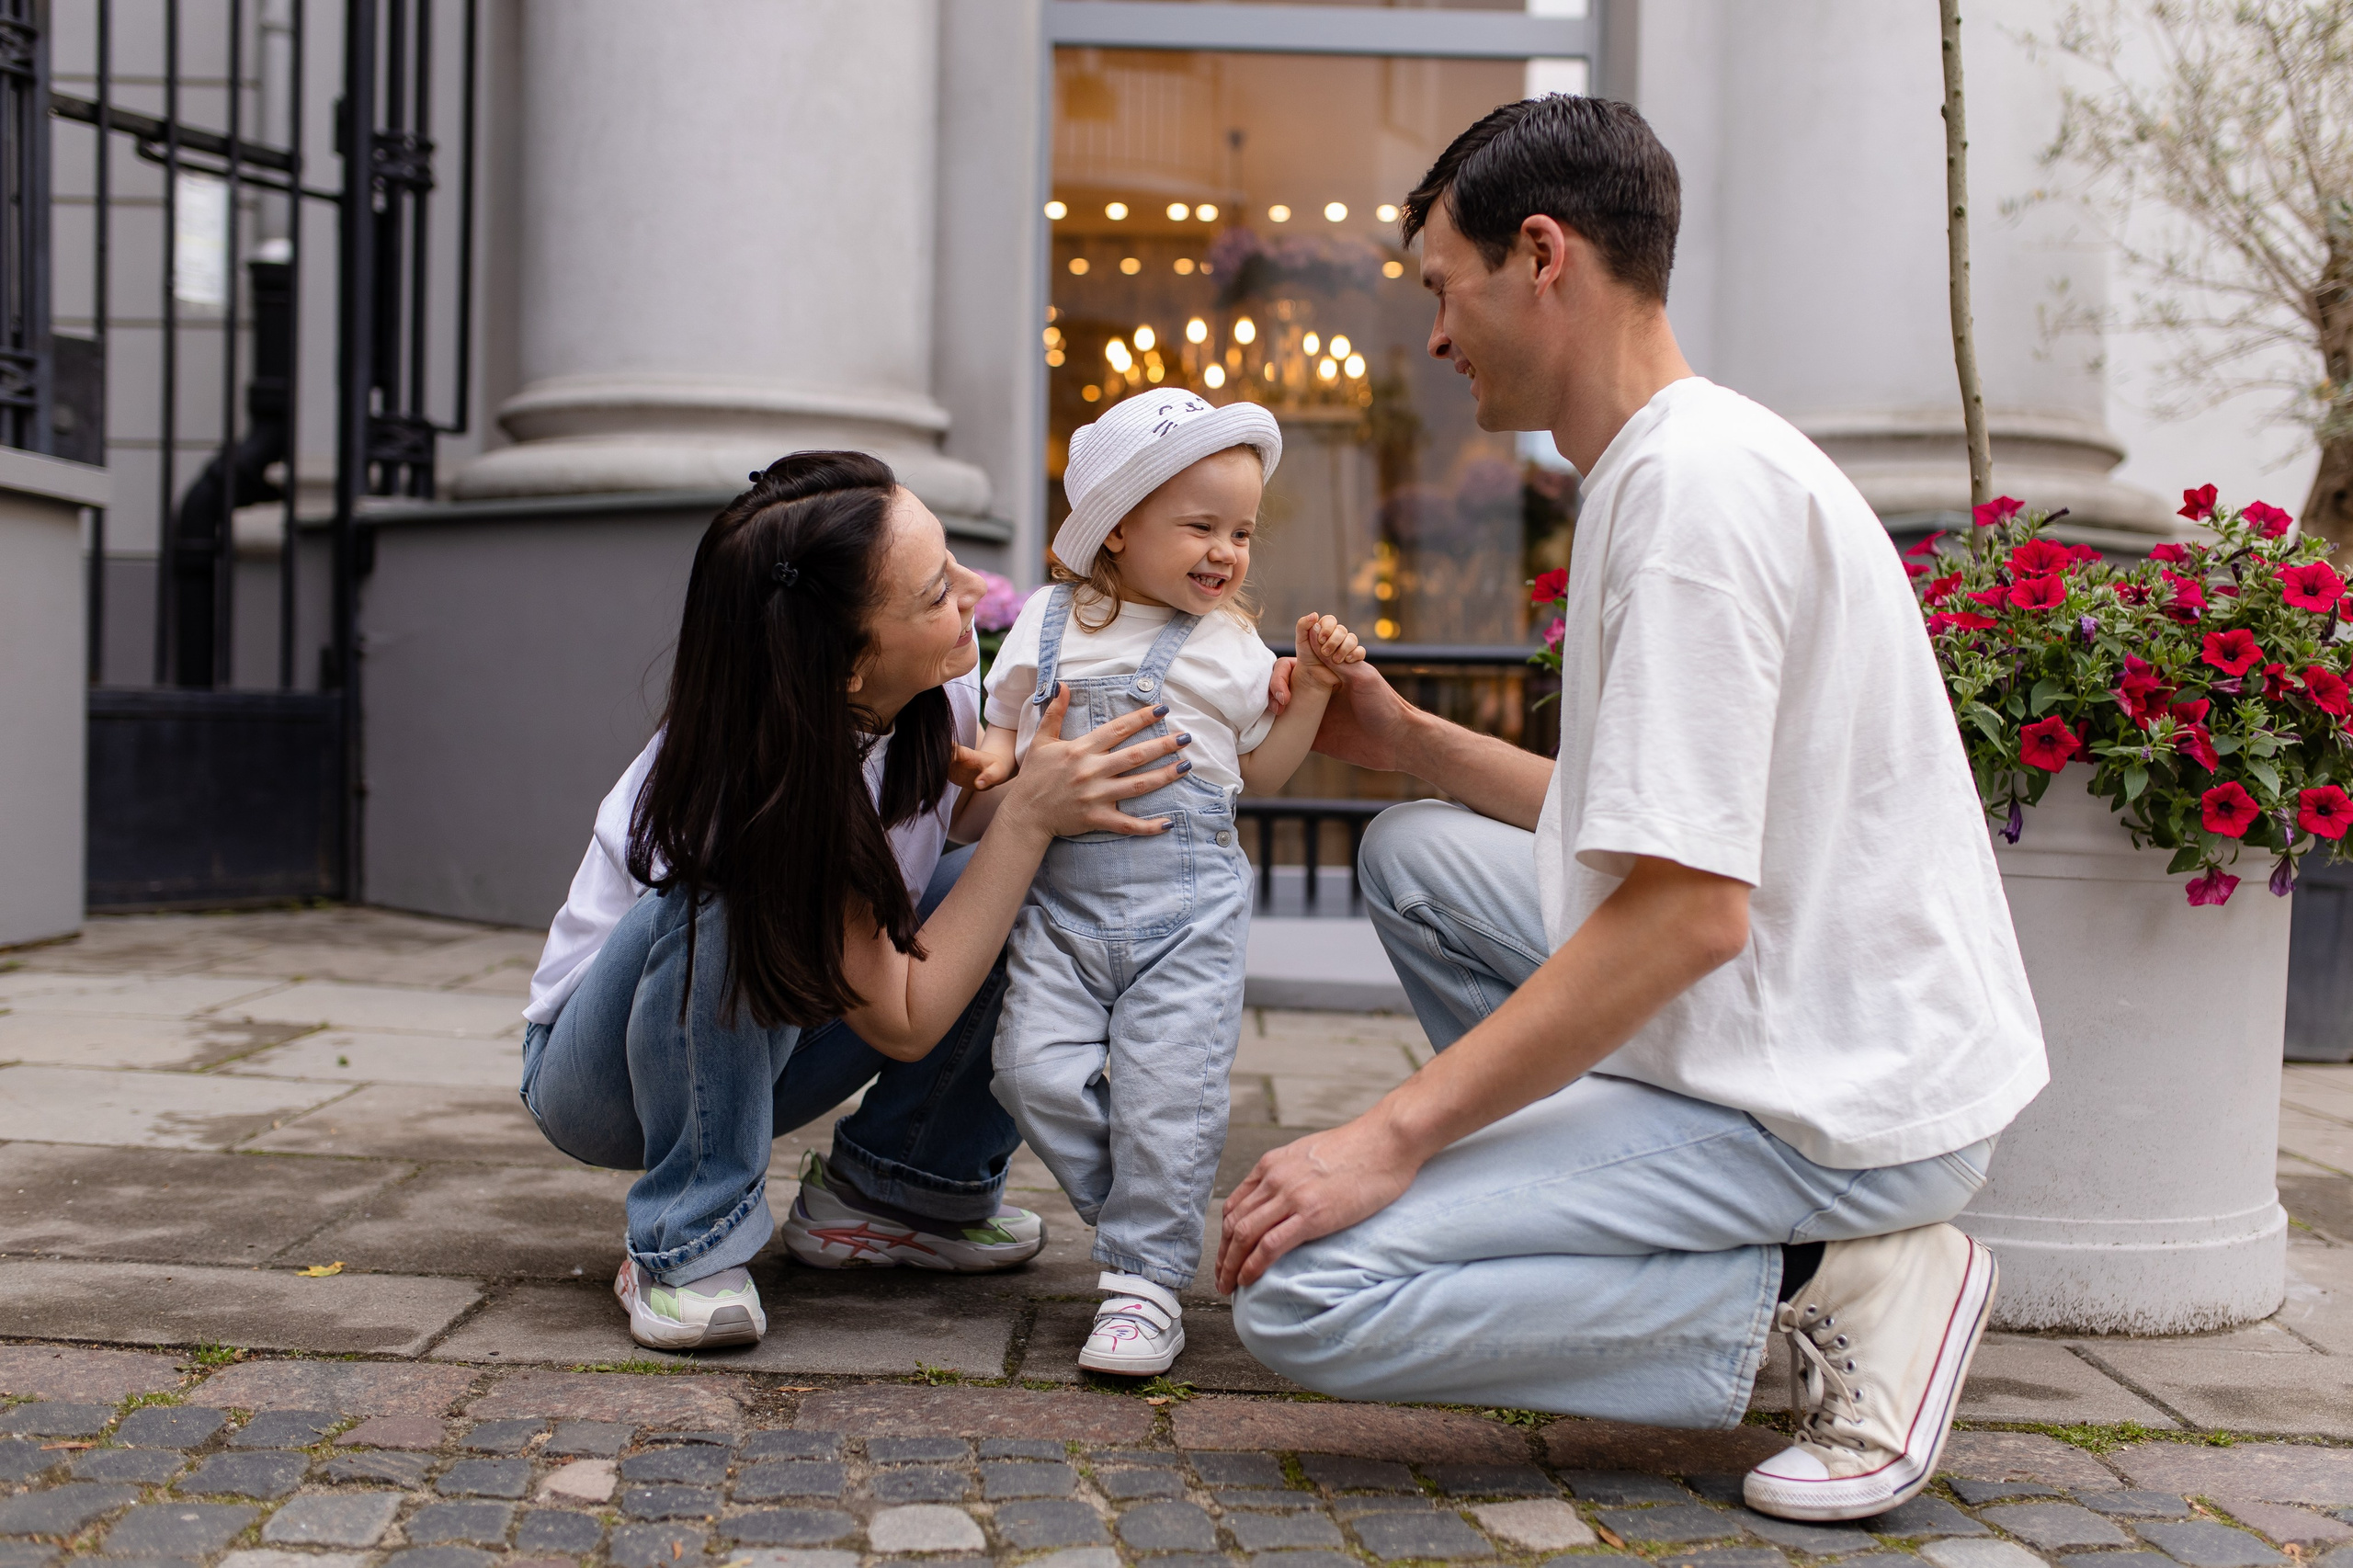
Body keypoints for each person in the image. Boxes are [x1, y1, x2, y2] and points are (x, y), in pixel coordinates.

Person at [1216, 96, 2048, 1522]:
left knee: (1304, 1292)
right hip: (1805, 1018)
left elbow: (1686, 912)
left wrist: (1392, 1137)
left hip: (1832, 1105)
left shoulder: (1690, 507)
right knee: (1418, 858)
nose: (1433, 337)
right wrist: (1410, 742)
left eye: (1441, 286)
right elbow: (1662, 832)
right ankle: (1632, 1199)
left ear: (1541, 254)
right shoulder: (1678, 460)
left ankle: (1832, 1281)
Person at [518, 450, 1194, 1352]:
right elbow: (905, 1021)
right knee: (726, 894)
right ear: (840, 665)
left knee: (1041, 879)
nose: (973, 589)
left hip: (776, 1031)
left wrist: (1057, 775)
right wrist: (1029, 818)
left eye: (952, 560)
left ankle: (900, 1189)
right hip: (607, 1075)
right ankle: (684, 1240)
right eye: (932, 592)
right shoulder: (759, 781)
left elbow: (956, 825)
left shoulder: (933, 682)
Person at [976, 392, 1367, 1376]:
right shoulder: (1044, 619)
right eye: (1199, 525)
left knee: (1166, 1095)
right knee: (1027, 1070)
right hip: (1060, 904)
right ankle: (1153, 1221)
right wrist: (988, 762)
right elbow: (1004, 717)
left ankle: (1144, 1285)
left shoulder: (1229, 646)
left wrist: (1311, 692)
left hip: (1186, 909)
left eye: (1240, 530)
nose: (1225, 551)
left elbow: (1266, 775)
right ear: (1114, 531)